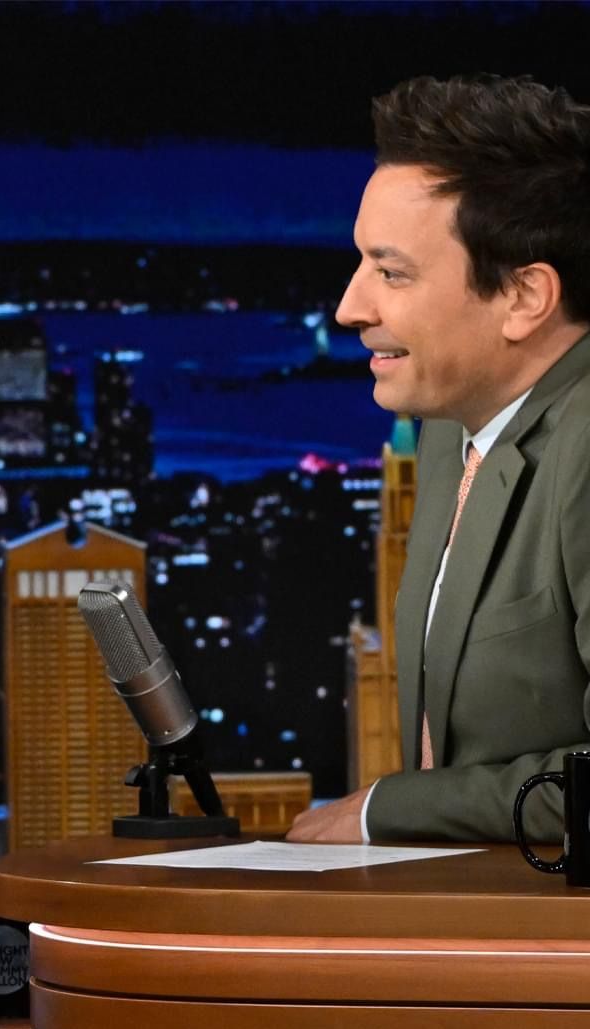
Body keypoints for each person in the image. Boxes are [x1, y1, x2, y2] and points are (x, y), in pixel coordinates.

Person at [288, 74, 590, 846]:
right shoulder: (450, 434)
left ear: (524, 296)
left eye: (391, 272)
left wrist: (386, 811)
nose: (350, 308)